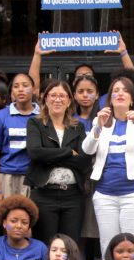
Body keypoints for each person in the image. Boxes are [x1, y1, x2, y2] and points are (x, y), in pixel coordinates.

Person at [82, 76, 134, 257]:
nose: (120, 94)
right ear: (110, 99)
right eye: (116, 91)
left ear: (132, 99)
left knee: (132, 244)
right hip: (105, 194)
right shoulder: (100, 121)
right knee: (108, 246)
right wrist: (98, 126)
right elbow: (87, 149)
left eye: (125, 91)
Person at [26, 79, 92, 245]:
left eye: (62, 96)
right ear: (45, 99)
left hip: (73, 196)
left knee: (70, 245)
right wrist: (68, 152)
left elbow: (84, 161)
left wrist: (50, 157)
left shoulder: (78, 127)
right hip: (44, 194)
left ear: (69, 100)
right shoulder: (35, 123)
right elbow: (35, 153)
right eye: (53, 95)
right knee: (46, 244)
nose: (57, 99)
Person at [0, 72, 40, 221]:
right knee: (5, 223)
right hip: (5, 177)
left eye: (25, 85)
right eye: (16, 86)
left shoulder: (42, 115)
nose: (20, 89)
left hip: (33, 179)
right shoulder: (1, 116)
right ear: (11, 92)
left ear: (34, 89)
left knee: (28, 224)